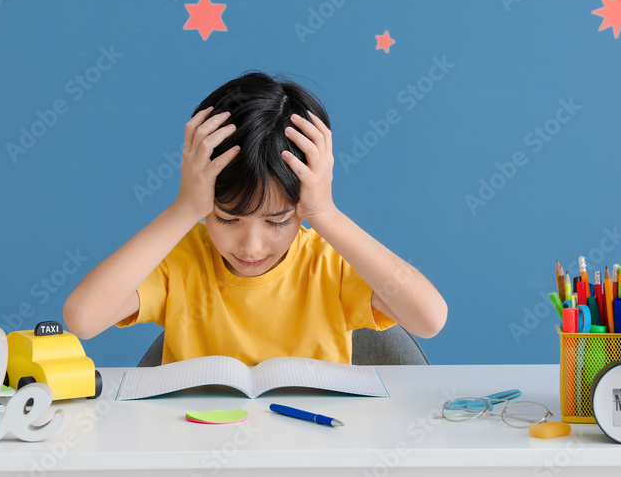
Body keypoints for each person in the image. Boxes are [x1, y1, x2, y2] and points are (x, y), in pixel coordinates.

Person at [63, 71, 447, 366]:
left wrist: (325, 214)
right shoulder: (181, 262)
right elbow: (82, 318)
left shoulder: (329, 265)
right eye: (227, 219)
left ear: (301, 207)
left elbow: (429, 319)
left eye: (277, 221)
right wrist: (184, 208)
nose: (251, 246)